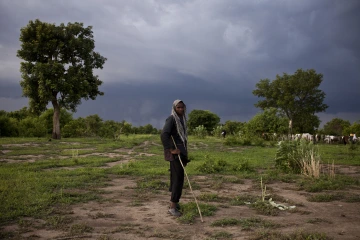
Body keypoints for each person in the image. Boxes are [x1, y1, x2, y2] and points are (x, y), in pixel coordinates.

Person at [160, 99, 189, 217]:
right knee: (178, 179)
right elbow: (164, 134)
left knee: (176, 177)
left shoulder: (182, 119)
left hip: (181, 152)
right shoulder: (172, 119)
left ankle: (174, 204)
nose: (181, 109)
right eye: (178, 108)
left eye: (182, 107)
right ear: (174, 108)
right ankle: (172, 207)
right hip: (175, 153)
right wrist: (171, 149)